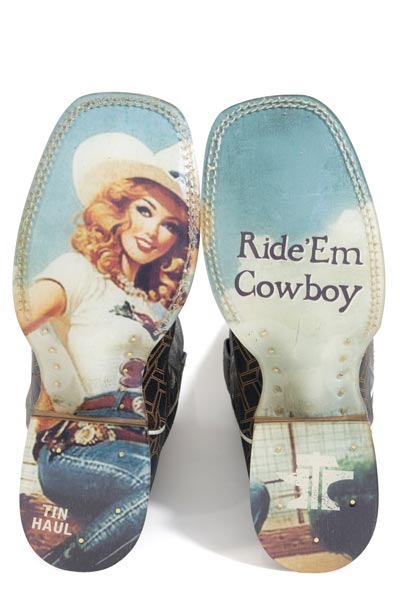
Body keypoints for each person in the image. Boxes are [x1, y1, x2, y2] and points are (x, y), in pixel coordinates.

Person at [16, 133, 190, 571]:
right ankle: (63, 566)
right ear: (120, 208)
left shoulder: (157, 308)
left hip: (136, 445)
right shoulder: (79, 272)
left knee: (249, 494)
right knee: (148, 486)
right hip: (77, 449)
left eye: (170, 225)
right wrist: (51, 380)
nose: (153, 232)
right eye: (145, 210)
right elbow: (20, 313)